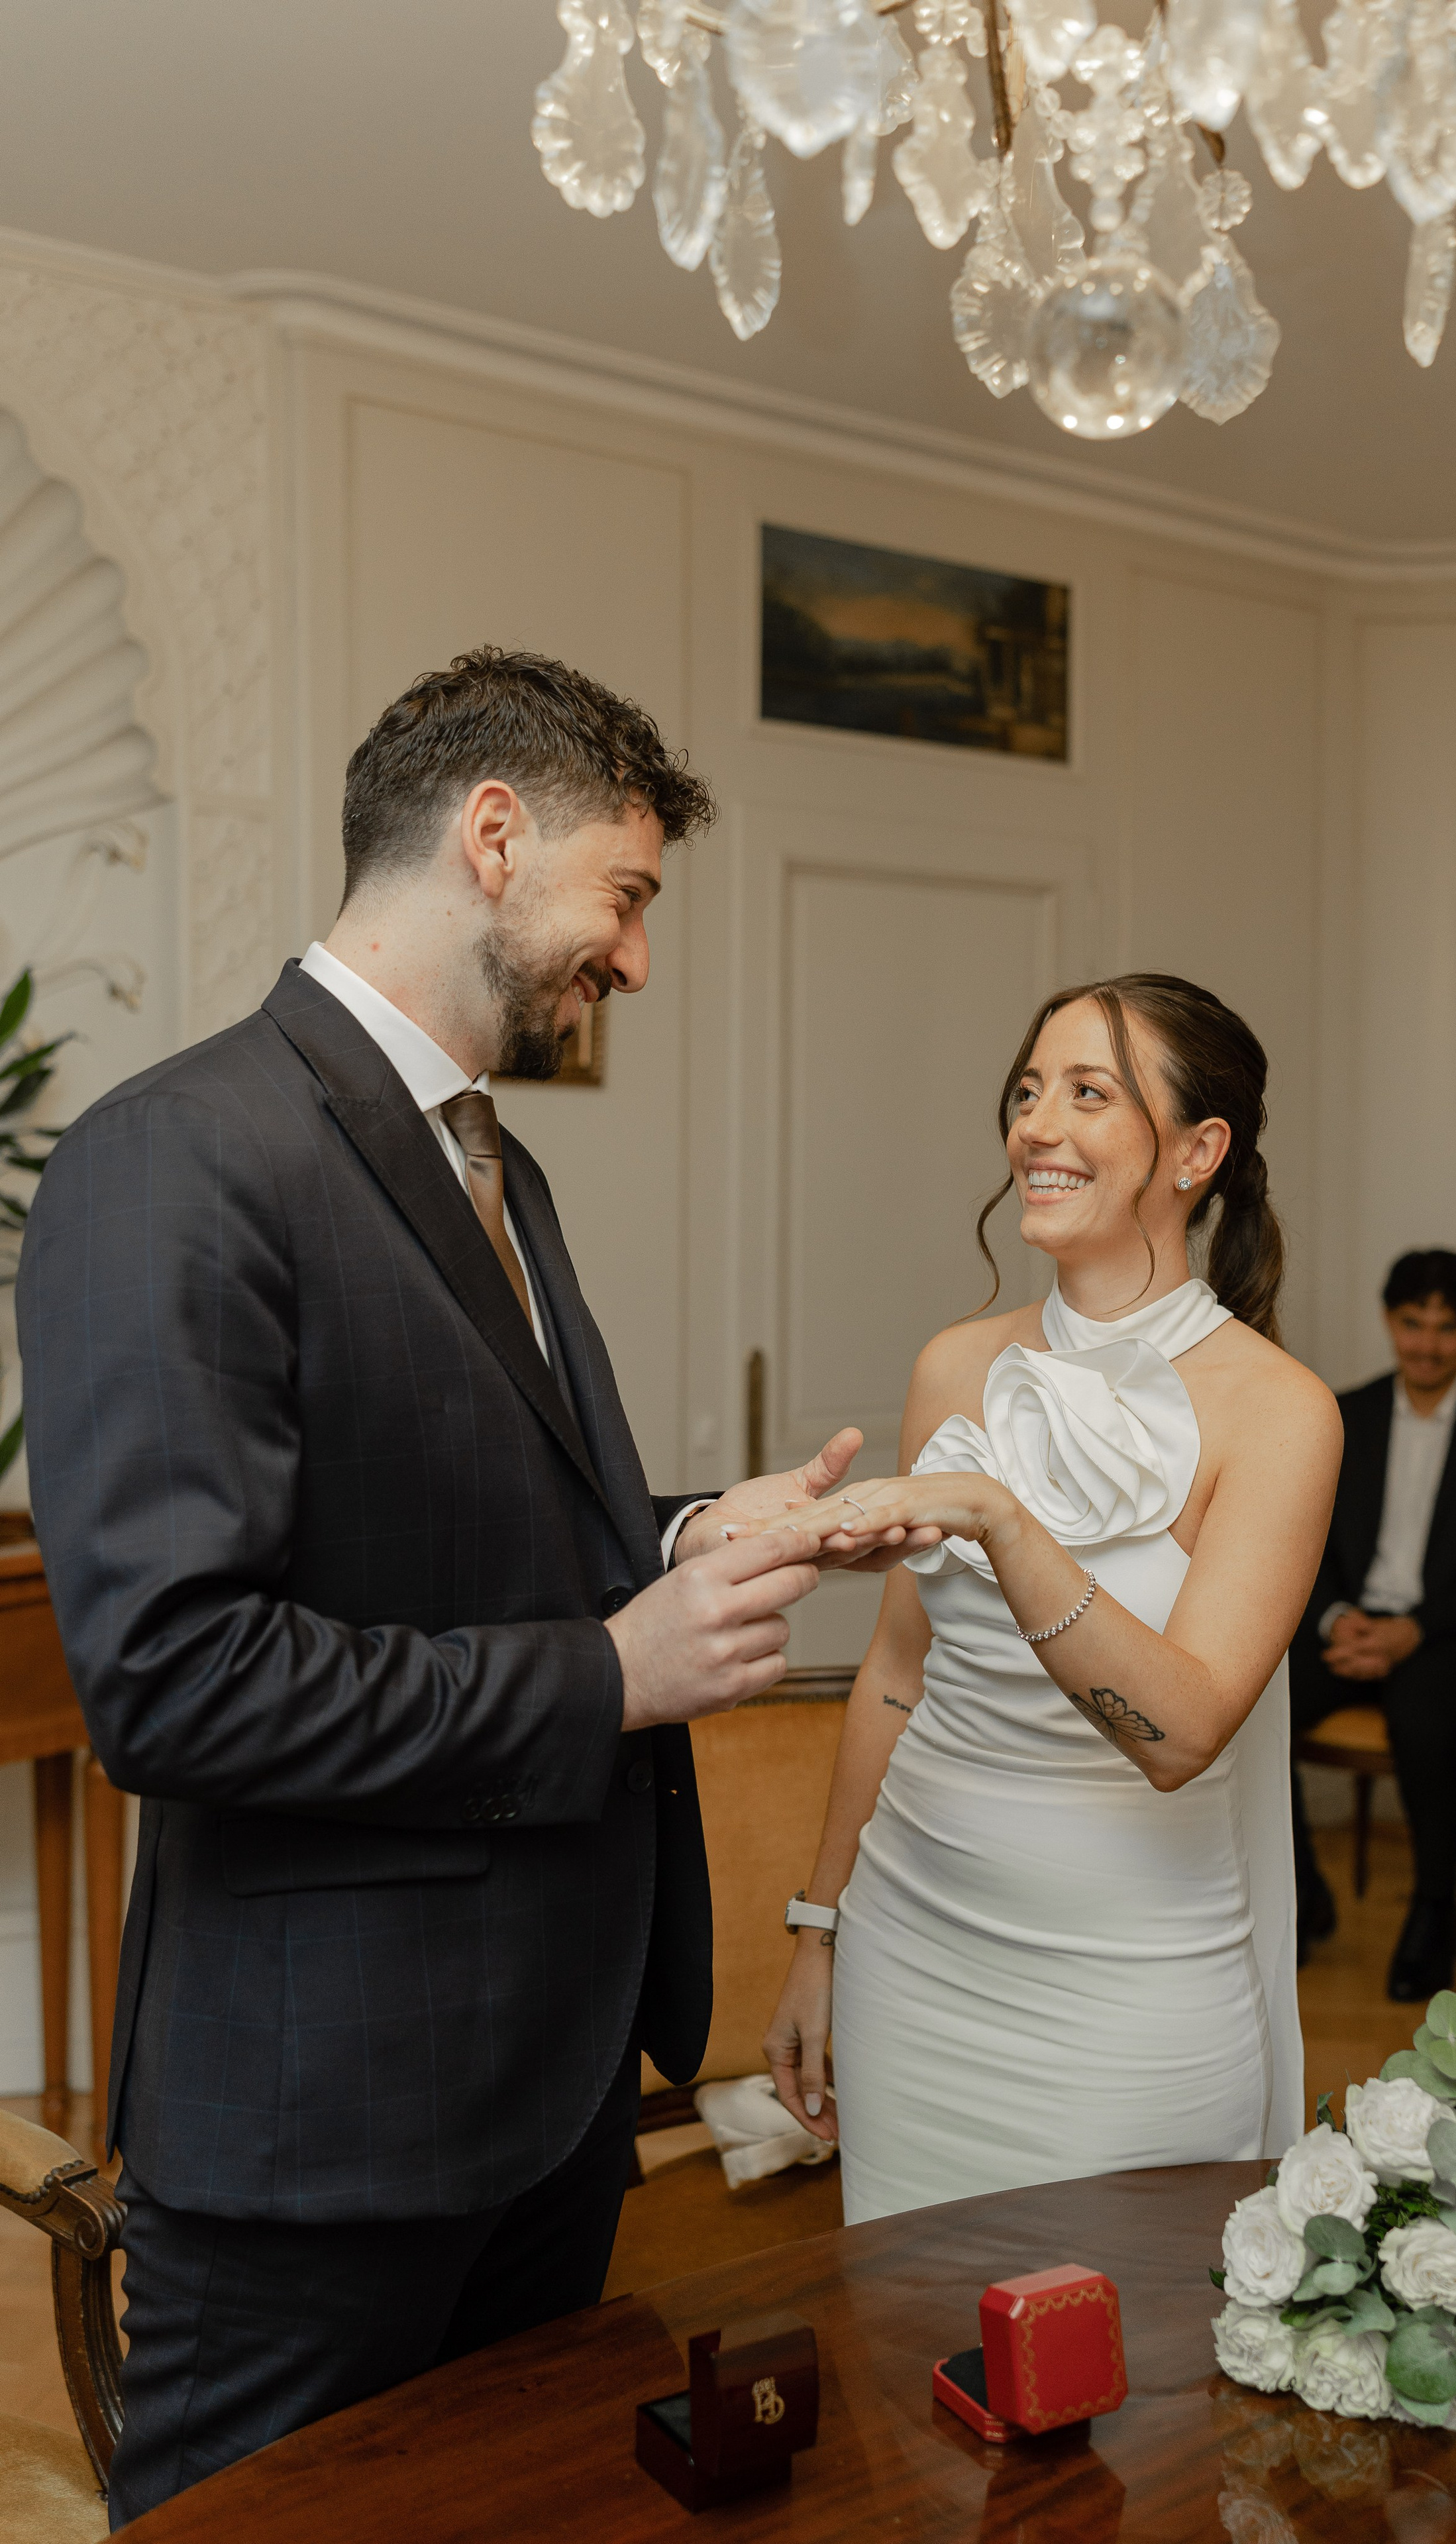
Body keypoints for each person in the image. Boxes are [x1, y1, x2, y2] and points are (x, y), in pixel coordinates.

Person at [16, 649, 929, 2521]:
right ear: (494, 837)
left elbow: (485, 1522)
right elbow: (175, 1681)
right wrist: (611, 1671)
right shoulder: (176, 1160)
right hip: (326, 2132)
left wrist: (688, 1535)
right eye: (633, 895)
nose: (639, 961)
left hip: (549, 2096)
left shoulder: (497, 1164)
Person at [759, 973, 1341, 2225]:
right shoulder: (955, 1366)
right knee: (914, 2364)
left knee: (1133, 2382)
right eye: (1028, 1091)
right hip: (914, 1959)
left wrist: (1007, 1525)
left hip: (1129, 1992)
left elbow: (1183, 1735)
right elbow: (897, 1677)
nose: (1036, 1125)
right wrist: (823, 1933)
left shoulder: (1280, 1414)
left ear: (1199, 1151)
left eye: (1089, 1093)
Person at [1287, 1249, 1456, 2003]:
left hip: (1454, 1636)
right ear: (1388, 1320)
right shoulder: (1342, 1413)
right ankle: (1303, 1895)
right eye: (1413, 1324)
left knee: (1426, 1717)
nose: (1427, 1344)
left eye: (1446, 1328)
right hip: (1349, 1622)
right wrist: (1339, 1619)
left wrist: (1413, 1631)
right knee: (1253, 1698)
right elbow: (1306, 1538)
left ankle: (1435, 1910)